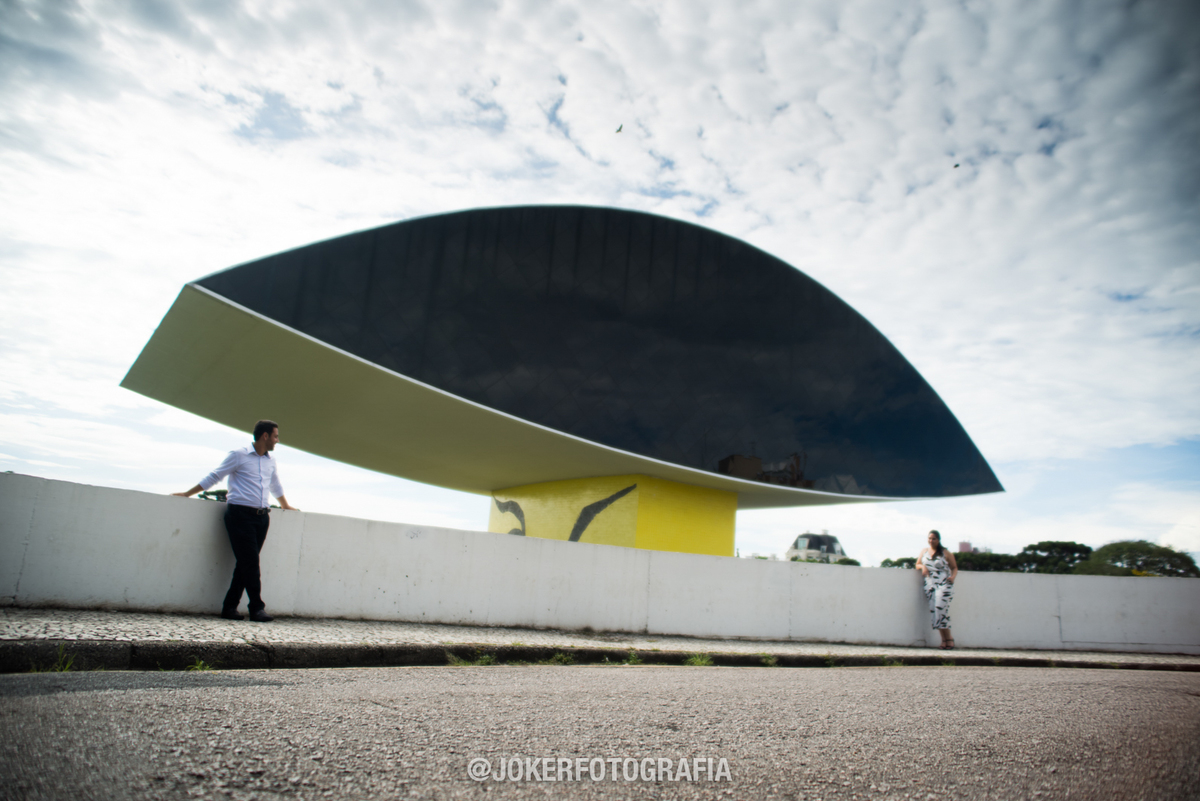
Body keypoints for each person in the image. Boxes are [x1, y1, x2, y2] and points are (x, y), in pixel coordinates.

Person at [174, 420, 298, 622]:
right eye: (276, 436)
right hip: (239, 515)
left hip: (262, 518)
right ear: (265, 436)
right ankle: (257, 608)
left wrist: (285, 504)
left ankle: (229, 607)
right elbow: (215, 476)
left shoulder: (270, 461)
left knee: (245, 564)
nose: (277, 440)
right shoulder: (238, 455)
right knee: (250, 563)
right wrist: (188, 493)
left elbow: (275, 484)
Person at [917, 529, 957, 649]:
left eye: (934, 538)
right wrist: (923, 567)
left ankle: (949, 639)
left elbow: (954, 567)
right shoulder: (924, 551)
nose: (931, 540)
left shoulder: (945, 553)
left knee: (940, 610)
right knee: (935, 612)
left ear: (938, 540)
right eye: (929, 538)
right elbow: (917, 564)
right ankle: (944, 640)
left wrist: (953, 577)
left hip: (944, 584)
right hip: (930, 585)